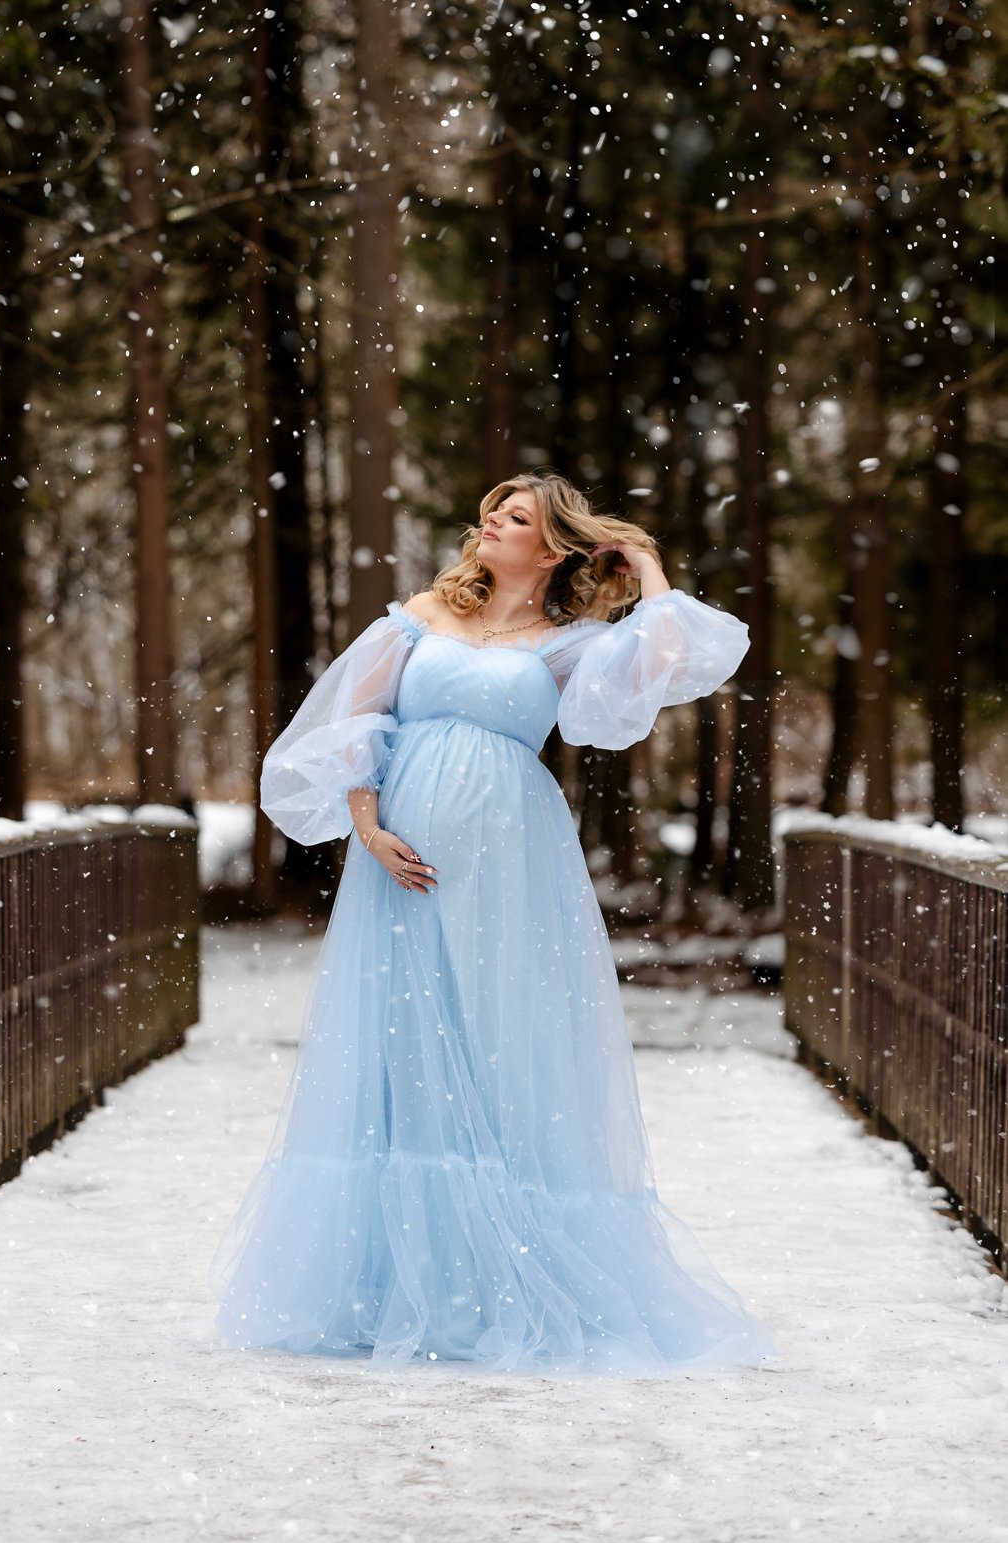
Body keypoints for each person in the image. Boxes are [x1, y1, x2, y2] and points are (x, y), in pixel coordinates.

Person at [212, 471, 776, 1376]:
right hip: (404, 858)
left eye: (512, 519)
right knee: (401, 1035)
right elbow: (357, 723)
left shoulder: (570, 646)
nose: (488, 526)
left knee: (499, 1031)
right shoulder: (417, 621)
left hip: (513, 860)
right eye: (489, 513)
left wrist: (649, 568)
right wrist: (368, 828)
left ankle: (502, 1267)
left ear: (549, 549)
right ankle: (395, 1281)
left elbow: (674, 660)